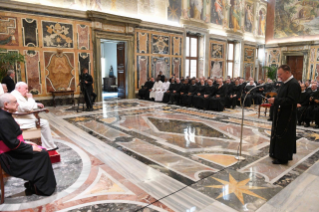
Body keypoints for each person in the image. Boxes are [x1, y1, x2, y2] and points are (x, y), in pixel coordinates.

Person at [0, 93, 56, 196]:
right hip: (9, 157)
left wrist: (26, 142)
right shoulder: (3, 119)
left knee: (41, 152)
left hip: (13, 150)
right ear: (6, 104)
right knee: (42, 154)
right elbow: (13, 144)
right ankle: (41, 188)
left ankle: (35, 183)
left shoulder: (4, 115)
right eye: (15, 102)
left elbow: (12, 139)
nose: (17, 104)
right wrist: (30, 148)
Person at [268, 65, 301, 164]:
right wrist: (275, 100)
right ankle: (276, 153)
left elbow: (291, 100)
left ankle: (283, 158)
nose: (279, 77)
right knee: (278, 133)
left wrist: (276, 100)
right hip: (281, 113)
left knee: (284, 135)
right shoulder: (284, 83)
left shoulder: (293, 84)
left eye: (280, 74)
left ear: (287, 72)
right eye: (278, 74)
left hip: (288, 115)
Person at [11, 82, 58, 151]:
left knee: (43, 122)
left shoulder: (15, 94)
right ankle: (49, 146)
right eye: (26, 89)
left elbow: (25, 105)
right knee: (44, 123)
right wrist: (30, 98)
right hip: (21, 120)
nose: (27, 91)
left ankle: (48, 145)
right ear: (19, 88)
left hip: (23, 117)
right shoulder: (15, 96)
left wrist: (36, 104)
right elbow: (27, 107)